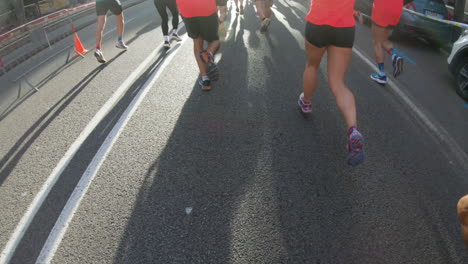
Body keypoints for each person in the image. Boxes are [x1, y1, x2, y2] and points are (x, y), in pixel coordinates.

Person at [298, 0, 365, 166]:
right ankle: (353, 130)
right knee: (338, 83)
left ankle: (306, 102)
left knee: (312, 66)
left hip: (318, 21)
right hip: (344, 27)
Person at [176, 0, 227, 91]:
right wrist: (221, 17)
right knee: (216, 40)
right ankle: (209, 53)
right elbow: (223, 10)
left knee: (197, 42)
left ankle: (205, 80)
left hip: (186, 8)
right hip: (207, 8)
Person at [370, 0, 404, 84]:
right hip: (396, 8)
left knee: (377, 42)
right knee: (383, 39)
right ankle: (395, 56)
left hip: (382, 6)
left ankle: (382, 75)